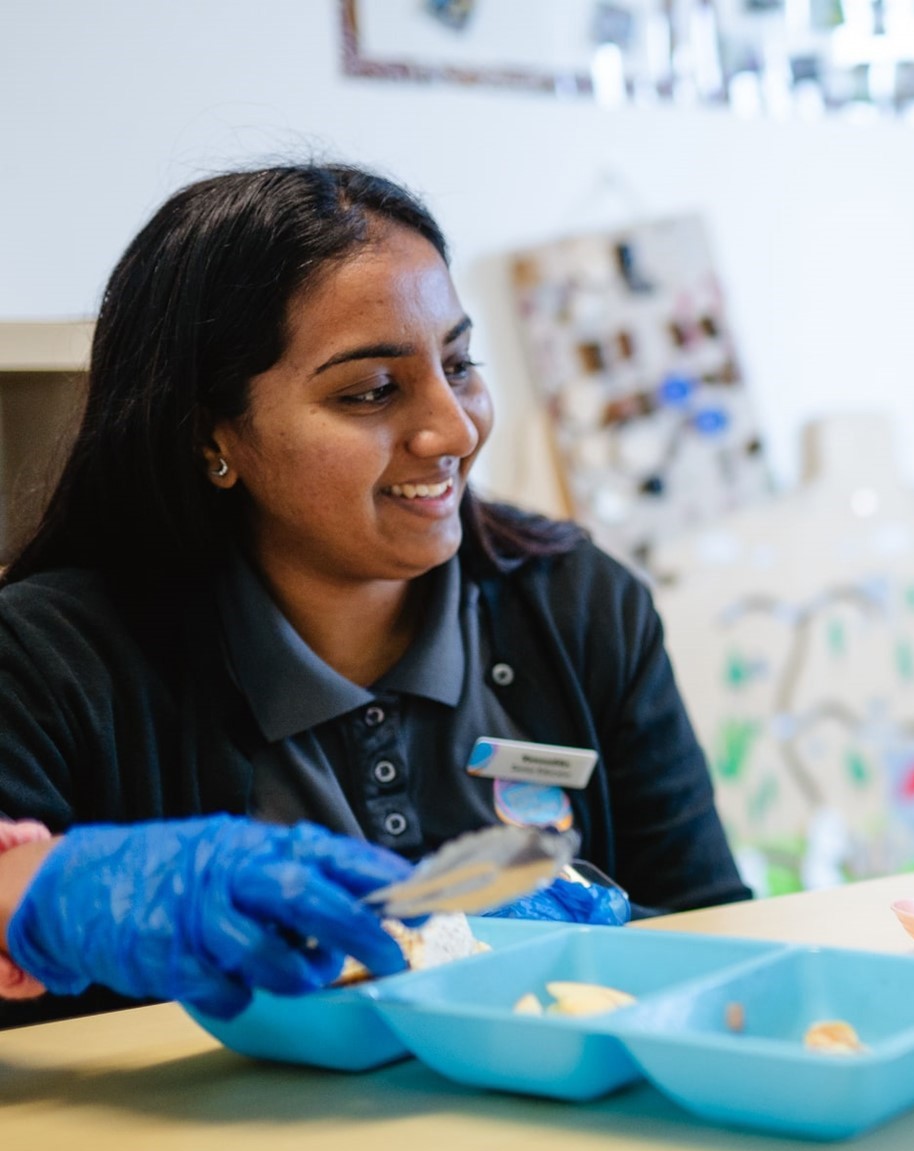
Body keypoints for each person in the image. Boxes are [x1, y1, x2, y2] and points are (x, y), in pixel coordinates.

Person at [0, 163, 746, 1027]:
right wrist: (57, 888)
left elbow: (716, 940)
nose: (453, 428)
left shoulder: (580, 606)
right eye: (372, 391)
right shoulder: (50, 657)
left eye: (458, 364)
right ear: (211, 436)